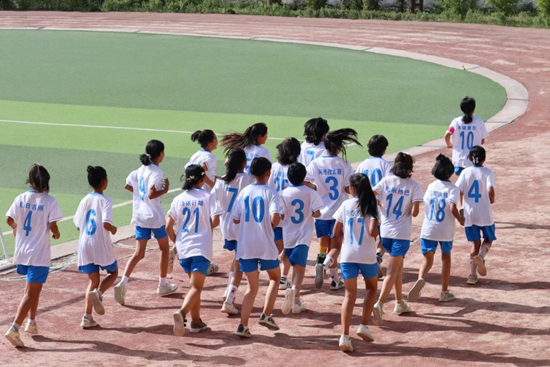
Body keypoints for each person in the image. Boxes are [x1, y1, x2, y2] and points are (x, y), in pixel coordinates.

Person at [4, 164, 62, 347]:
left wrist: (15, 228)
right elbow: (53, 225)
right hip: (38, 253)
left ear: (30, 181)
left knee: (33, 289)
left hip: (22, 251)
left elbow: (9, 219)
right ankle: (14, 327)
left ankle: (32, 321)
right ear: (46, 182)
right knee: (31, 291)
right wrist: (56, 233)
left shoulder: (21, 198)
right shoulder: (50, 201)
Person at [114, 140, 177, 305]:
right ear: (160, 154)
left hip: (140, 216)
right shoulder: (157, 172)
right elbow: (151, 194)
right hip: (154, 217)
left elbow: (127, 185)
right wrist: (165, 190)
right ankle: (162, 284)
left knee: (138, 253)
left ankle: (123, 283)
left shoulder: (139, 170)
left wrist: (138, 194)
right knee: (164, 249)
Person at [167, 165, 222, 336]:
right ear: (201, 179)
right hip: (200, 247)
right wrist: (205, 227)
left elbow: (168, 225)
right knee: (197, 288)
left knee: (194, 287)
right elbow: (216, 220)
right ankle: (182, 313)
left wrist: (177, 241)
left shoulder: (178, 199)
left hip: (184, 249)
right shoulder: (208, 197)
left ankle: (196, 321)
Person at [232, 157, 283, 338]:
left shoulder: (244, 192)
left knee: (251, 287)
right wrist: (270, 225)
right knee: (275, 278)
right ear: (268, 173)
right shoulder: (272, 193)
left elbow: (236, 218)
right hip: (265, 243)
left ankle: (243, 325)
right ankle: (266, 314)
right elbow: (275, 217)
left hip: (246, 245)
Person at [372, 153, 423, 324]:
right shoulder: (414, 186)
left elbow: (372, 193)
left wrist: (381, 205)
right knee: (392, 272)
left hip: (385, 232)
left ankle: (400, 302)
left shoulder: (386, 181)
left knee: (398, 270)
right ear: (410, 168)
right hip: (401, 234)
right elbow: (415, 212)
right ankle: (379, 303)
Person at [330, 173, 379, 352]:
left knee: (349, 295)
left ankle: (344, 335)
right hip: (367, 255)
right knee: (371, 288)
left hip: (348, 255)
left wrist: (348, 239)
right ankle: (364, 325)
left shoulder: (345, 205)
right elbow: (373, 232)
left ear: (352, 189)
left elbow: (336, 231)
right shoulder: (372, 206)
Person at [306, 128, 360, 291]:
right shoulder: (343, 164)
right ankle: (331, 274)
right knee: (336, 247)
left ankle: (325, 265)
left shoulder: (315, 163)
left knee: (323, 241)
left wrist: (317, 189)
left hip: (321, 211)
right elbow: (347, 188)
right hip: (338, 212)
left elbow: (307, 182)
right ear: (338, 147)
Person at [407, 155, 464, 304]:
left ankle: (420, 279)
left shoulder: (432, 186)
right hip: (445, 229)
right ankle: (444, 291)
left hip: (429, 228)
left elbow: (426, 203)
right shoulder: (454, 188)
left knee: (427, 259)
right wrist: (460, 219)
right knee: (446, 259)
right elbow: (452, 207)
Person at [74, 166, 119, 329]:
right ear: (104, 181)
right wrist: (113, 229)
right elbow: (106, 223)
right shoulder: (105, 200)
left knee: (93, 280)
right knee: (113, 272)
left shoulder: (84, 200)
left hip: (85, 243)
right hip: (100, 243)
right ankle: (99, 294)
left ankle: (87, 316)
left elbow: (79, 225)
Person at [212, 149, 252, 315]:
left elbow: (213, 201)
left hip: (226, 224)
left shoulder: (221, 181)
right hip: (241, 224)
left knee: (236, 259)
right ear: (244, 163)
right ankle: (229, 299)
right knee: (241, 263)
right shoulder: (248, 179)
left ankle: (228, 289)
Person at [280, 163, 324, 315]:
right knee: (300, 270)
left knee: (294, 268)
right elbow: (317, 213)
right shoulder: (310, 192)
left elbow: (280, 215)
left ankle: (296, 298)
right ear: (304, 176)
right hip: (303, 236)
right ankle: (294, 293)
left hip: (288, 236)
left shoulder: (283, 193)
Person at [456, 146, 496, 285]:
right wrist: (492, 198)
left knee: (475, 243)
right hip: (484, 212)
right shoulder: (488, 172)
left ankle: (472, 276)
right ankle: (481, 256)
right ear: (484, 158)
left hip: (469, 213)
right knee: (489, 238)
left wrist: (461, 207)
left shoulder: (465, 172)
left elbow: (458, 191)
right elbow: (490, 189)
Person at [355, 134, 392, 277]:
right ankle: (377, 257)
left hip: (364, 206)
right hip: (380, 207)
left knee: (367, 235)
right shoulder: (387, 166)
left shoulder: (362, 165)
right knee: (382, 238)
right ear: (384, 150)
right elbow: (389, 186)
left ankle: (365, 260)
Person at [267, 137, 301, 291]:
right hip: (290, 214)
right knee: (286, 249)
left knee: (277, 246)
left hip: (274, 211)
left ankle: (276, 274)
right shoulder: (297, 168)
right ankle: (283, 277)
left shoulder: (273, 167)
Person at [444, 97, 488, 176]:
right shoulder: (479, 122)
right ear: (474, 109)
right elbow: (482, 141)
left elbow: (447, 134)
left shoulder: (456, 122)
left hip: (459, 160)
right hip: (474, 160)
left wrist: (449, 144)